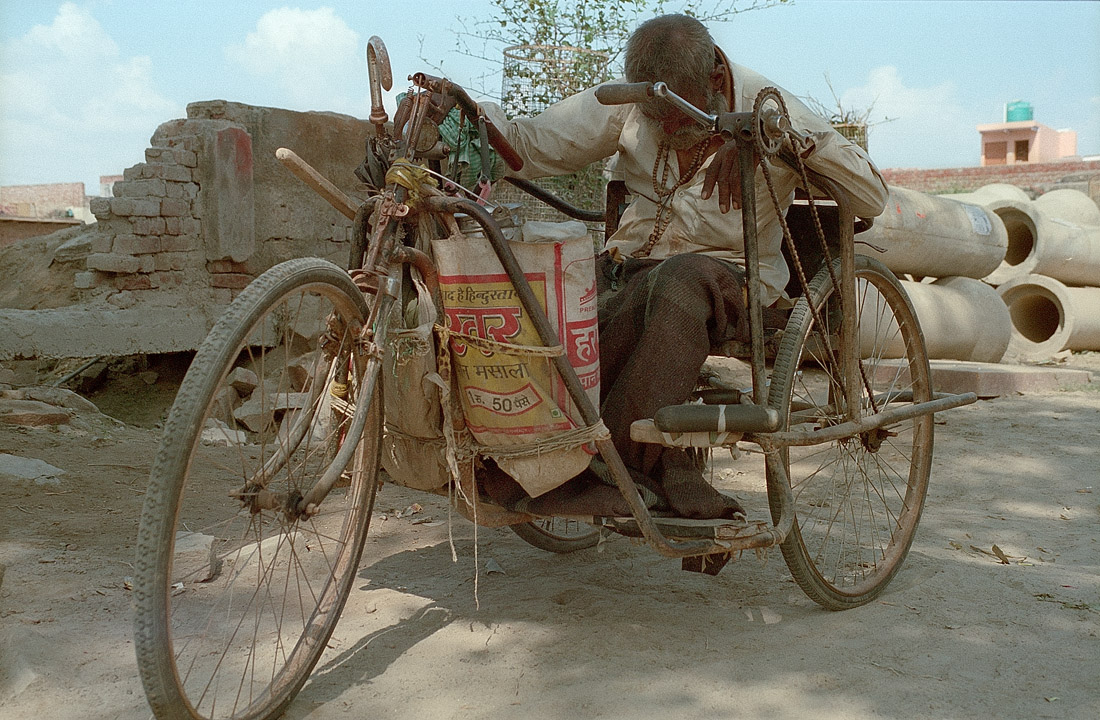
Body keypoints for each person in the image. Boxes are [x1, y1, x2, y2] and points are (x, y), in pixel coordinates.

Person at [480, 14, 888, 519]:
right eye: (656, 117)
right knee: (549, 291)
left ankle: (623, 466)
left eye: (676, 112)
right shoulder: (636, 102)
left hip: (732, 279)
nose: (667, 128)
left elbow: (872, 195)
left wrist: (768, 142)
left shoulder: (769, 104)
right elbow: (534, 143)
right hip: (632, 272)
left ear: (716, 77)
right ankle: (546, 459)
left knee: (677, 280)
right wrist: (468, 119)